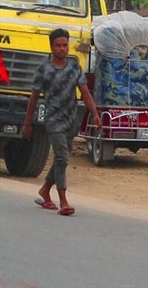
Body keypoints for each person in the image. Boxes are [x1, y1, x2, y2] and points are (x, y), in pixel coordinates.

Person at [23, 28, 100, 216]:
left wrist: (95, 114)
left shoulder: (74, 67)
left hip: (71, 120)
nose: (62, 49)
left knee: (62, 160)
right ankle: (64, 201)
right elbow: (33, 98)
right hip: (54, 120)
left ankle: (45, 190)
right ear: (51, 47)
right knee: (62, 158)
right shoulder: (43, 70)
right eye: (58, 45)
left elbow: (85, 93)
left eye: (65, 45)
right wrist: (27, 123)